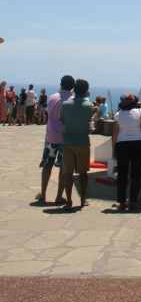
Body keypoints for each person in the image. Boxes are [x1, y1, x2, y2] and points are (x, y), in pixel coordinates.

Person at [37, 75, 75, 205]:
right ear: (73, 86)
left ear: (61, 84)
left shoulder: (52, 97)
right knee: (63, 168)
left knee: (47, 165)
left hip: (51, 136)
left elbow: (48, 114)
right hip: (65, 139)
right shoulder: (72, 100)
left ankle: (43, 194)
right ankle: (59, 196)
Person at [112, 94, 141, 212]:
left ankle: (122, 203)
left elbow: (115, 134)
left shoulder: (117, 114)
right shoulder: (139, 111)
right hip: (137, 144)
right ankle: (133, 202)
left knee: (122, 175)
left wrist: (114, 149)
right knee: (136, 174)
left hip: (122, 145)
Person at [60, 78, 93, 209]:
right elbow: (90, 123)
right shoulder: (89, 106)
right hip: (83, 142)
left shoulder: (65, 104)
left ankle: (68, 200)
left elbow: (61, 120)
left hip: (67, 142)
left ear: (74, 89)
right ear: (86, 91)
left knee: (68, 173)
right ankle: (83, 199)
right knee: (83, 173)